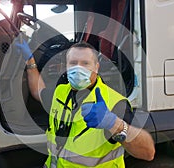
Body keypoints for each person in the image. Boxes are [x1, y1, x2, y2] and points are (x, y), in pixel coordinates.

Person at [16, 39, 155, 167]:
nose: (78, 69)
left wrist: (114, 124)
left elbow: (148, 152)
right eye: (73, 63)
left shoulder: (114, 103)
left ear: (96, 67)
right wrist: (30, 62)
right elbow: (38, 91)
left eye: (85, 63)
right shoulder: (60, 92)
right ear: (66, 67)